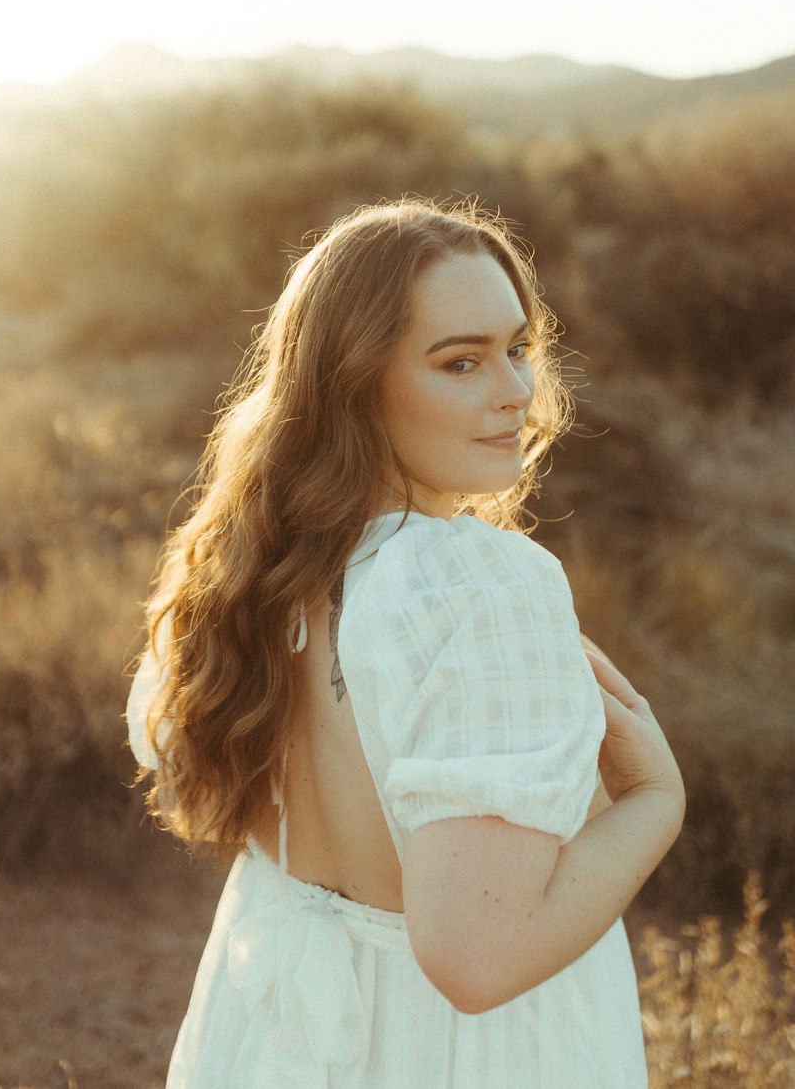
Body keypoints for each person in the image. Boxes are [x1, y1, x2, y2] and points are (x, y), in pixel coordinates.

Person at [126, 197, 684, 1088]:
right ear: (354, 385)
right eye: (460, 361)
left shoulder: (255, 567)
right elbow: (479, 960)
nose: (515, 391)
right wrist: (655, 798)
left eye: (518, 348)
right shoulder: (479, 586)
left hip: (284, 1041)